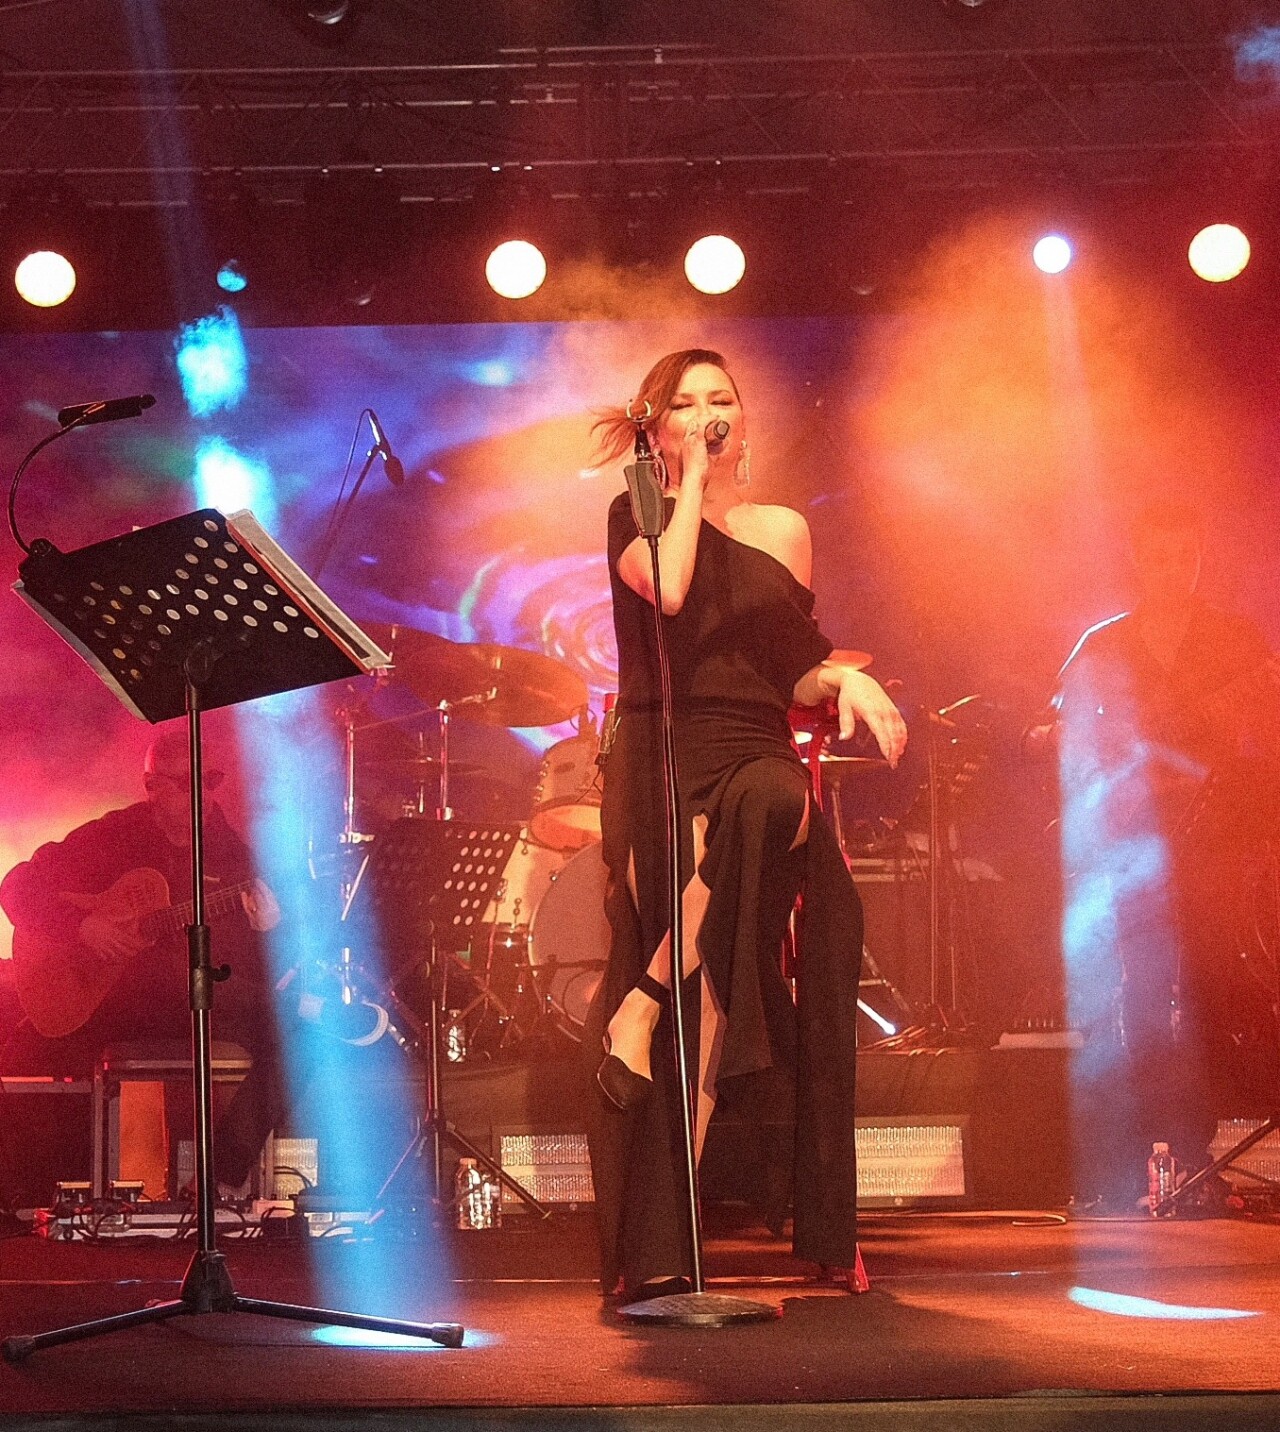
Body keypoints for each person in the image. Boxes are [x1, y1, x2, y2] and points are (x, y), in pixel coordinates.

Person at [583, 349, 907, 1300]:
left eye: (720, 398)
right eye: (684, 403)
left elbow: (790, 663)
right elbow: (673, 591)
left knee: (780, 812)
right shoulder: (635, 515)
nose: (706, 414)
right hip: (665, 751)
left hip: (757, 748)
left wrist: (844, 678)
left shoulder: (785, 529)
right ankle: (659, 1249)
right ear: (655, 425)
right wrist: (684, 483)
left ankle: (642, 1002)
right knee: (713, 994)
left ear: (745, 416)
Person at [1029, 500, 1280, 1206]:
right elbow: (1048, 728)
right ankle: (1157, 1151)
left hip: (1218, 848)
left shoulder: (1234, 639)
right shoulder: (1105, 641)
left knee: (1215, 996)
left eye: (1186, 557)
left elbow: (1266, 733)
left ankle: (1202, 1150)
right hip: (1136, 848)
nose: (1175, 571)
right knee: (1141, 993)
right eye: (1161, 557)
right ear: (1140, 560)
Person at [0, 726, 288, 1196]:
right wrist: (82, 927)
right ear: (151, 786)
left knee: (294, 1033)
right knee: (19, 1054)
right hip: (108, 1001)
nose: (202, 794)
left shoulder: (236, 858)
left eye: (209, 780)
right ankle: (29, 1200)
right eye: (185, 782)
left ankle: (215, 1178)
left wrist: (267, 932)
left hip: (184, 1002)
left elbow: (241, 969)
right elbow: (17, 887)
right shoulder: (115, 834)